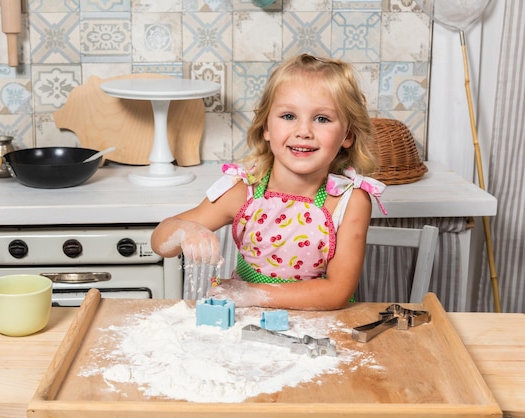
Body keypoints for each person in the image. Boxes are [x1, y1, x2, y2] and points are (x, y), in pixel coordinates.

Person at [151, 54, 387, 310]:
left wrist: (251, 294)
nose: (303, 131)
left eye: (322, 119)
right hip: (247, 325)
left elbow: (336, 292)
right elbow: (160, 242)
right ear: (266, 127)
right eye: (288, 116)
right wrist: (186, 231)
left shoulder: (349, 202)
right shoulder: (243, 191)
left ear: (347, 135)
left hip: (320, 327)